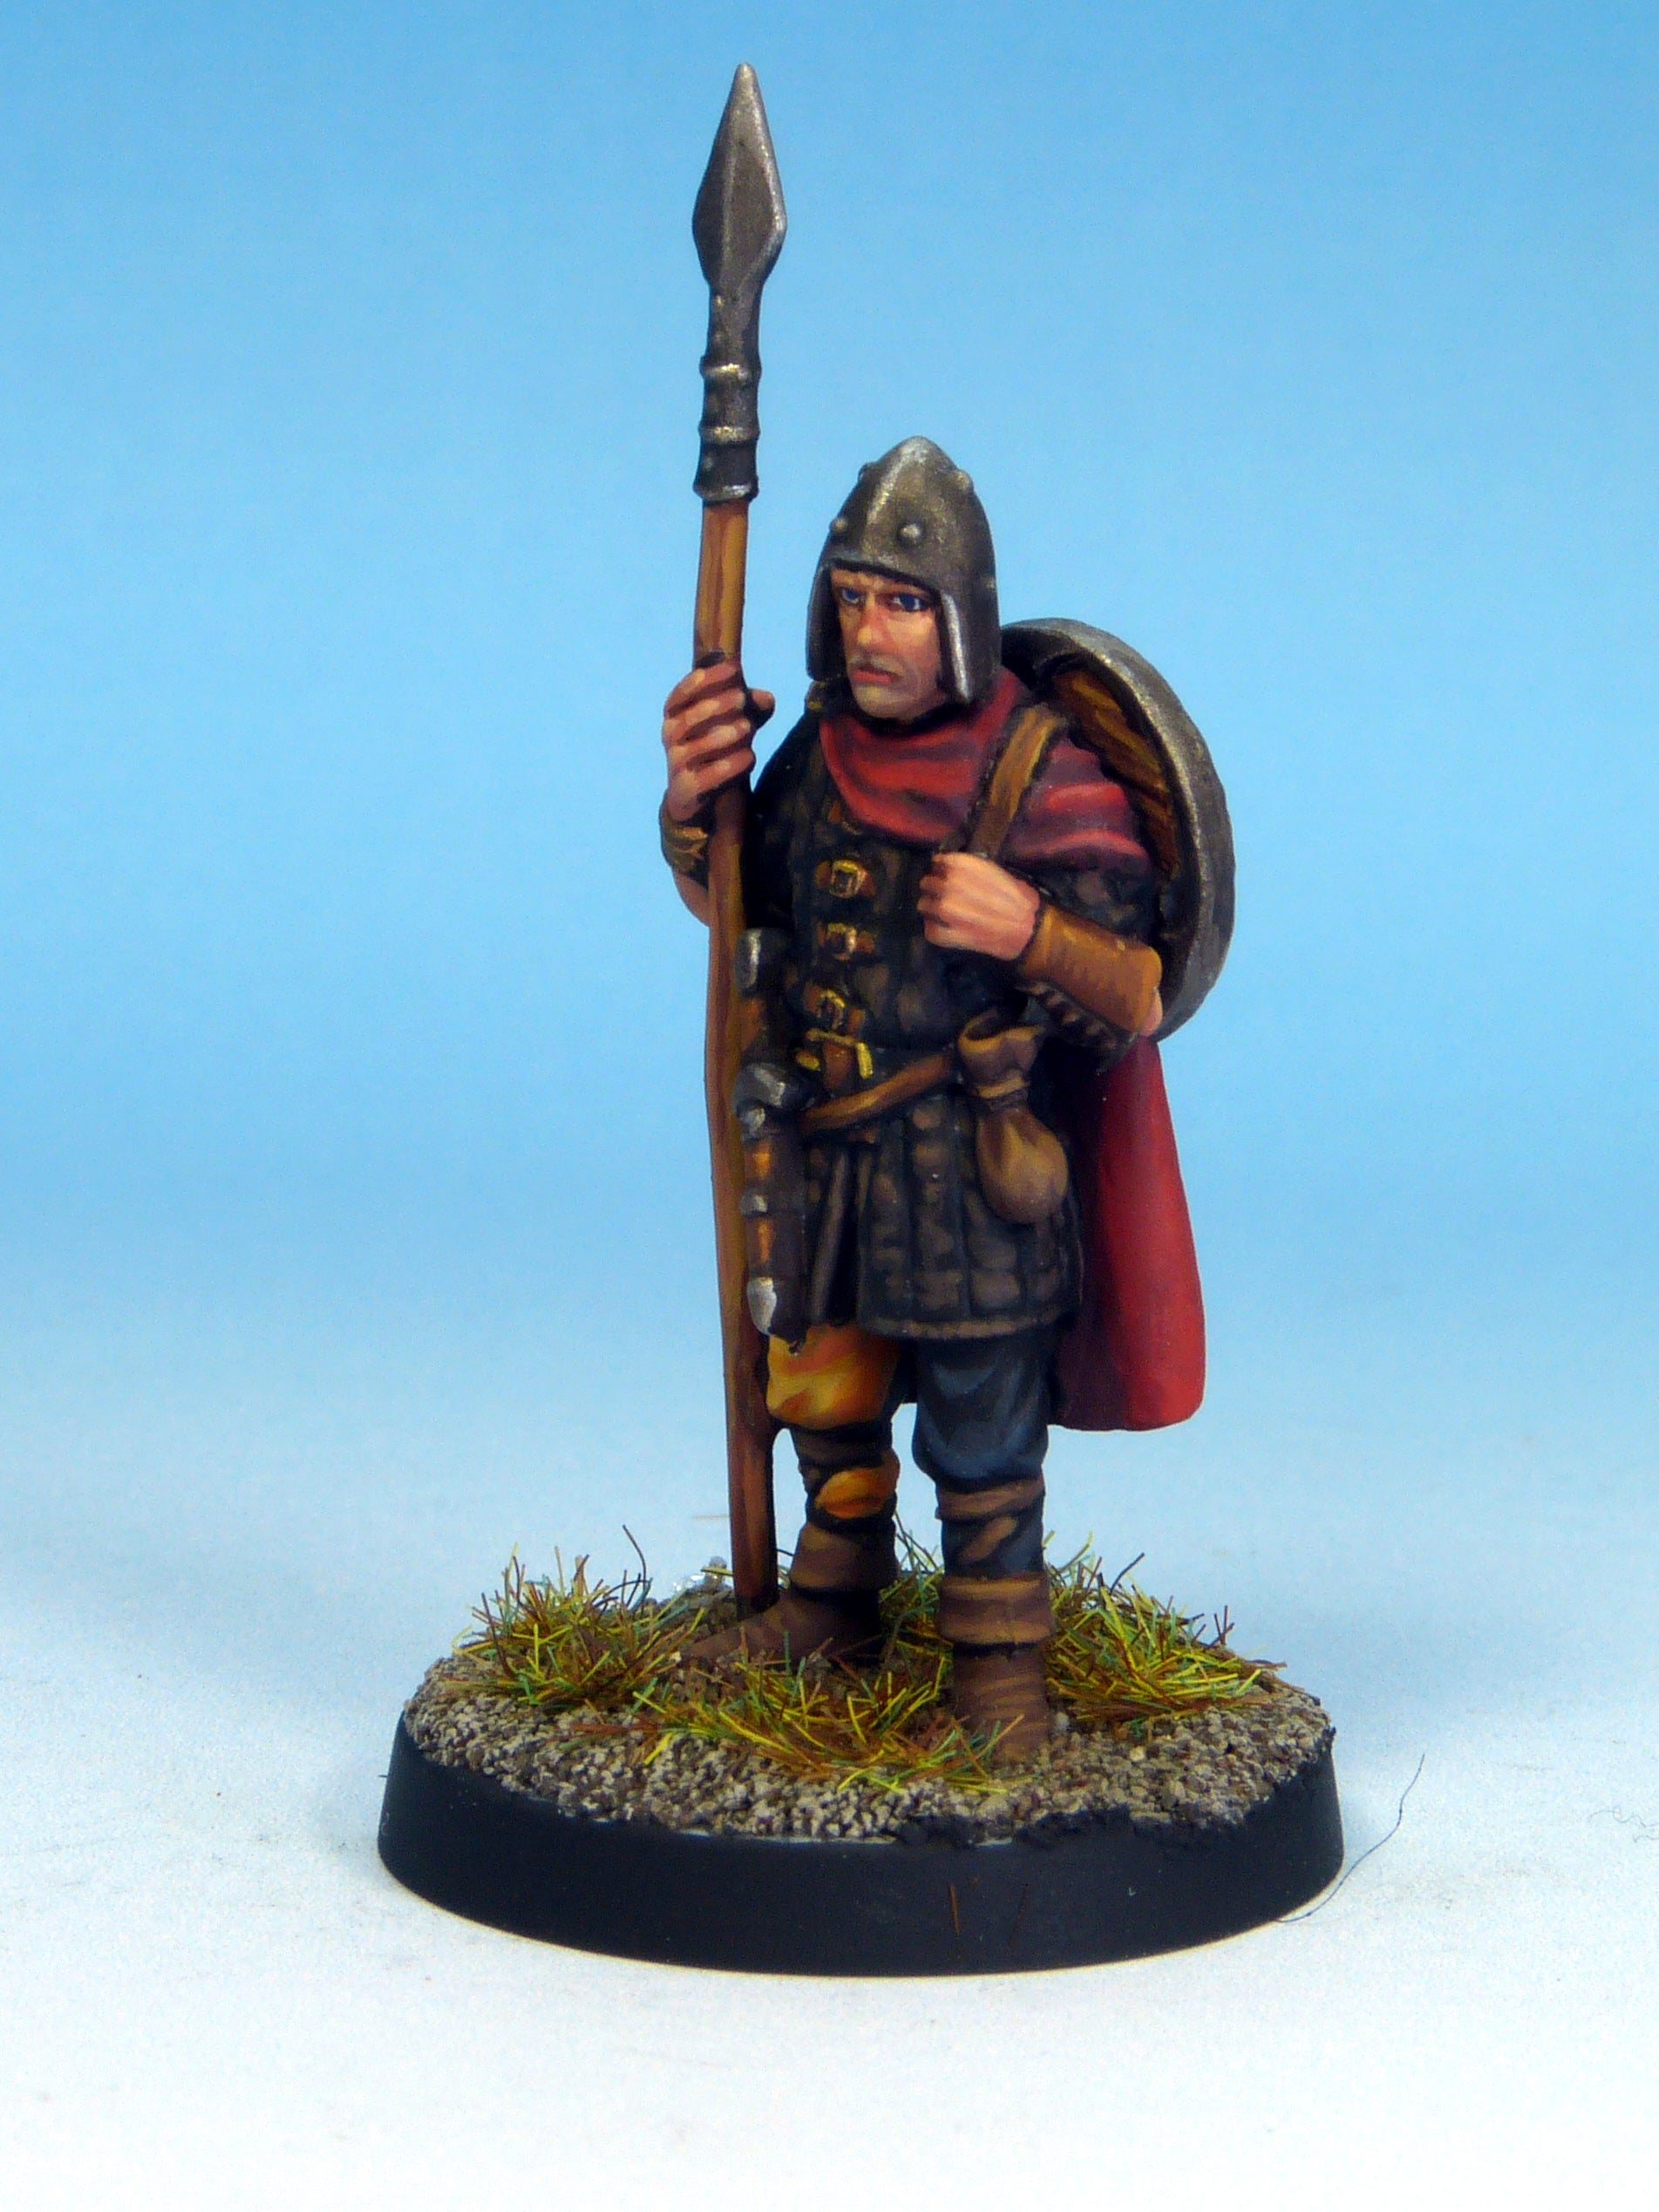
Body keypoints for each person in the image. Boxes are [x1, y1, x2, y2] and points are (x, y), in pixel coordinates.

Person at [659, 437, 1191, 1760]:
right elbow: (743, 913)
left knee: (981, 1422)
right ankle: (832, 1603)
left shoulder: (1041, 773)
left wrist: (1029, 930)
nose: (869, 630)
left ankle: (1000, 1666)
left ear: (958, 615)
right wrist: (693, 803)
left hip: (970, 1164)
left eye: (900, 601)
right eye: (851, 598)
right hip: (829, 1144)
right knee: (819, 1384)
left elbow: (1136, 991)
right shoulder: (818, 758)